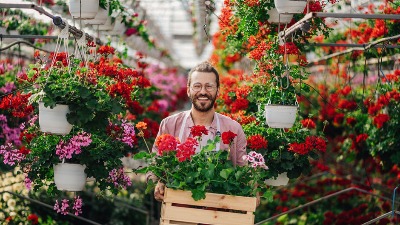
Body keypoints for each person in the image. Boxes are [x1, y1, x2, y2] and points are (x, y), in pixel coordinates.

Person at [147, 61, 247, 202]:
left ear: (218, 90)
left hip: (219, 210)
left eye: (209, 86)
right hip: (177, 208)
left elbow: (243, 172)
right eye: (197, 86)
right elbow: (154, 165)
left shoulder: (234, 129)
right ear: (188, 90)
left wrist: (252, 188)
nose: (203, 92)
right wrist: (157, 182)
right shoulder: (170, 124)